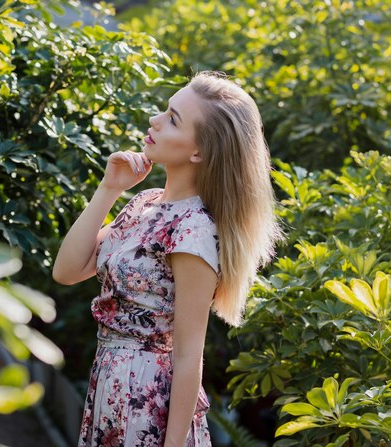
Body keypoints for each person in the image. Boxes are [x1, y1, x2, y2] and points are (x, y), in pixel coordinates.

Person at [52, 71, 281, 447]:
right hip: (112, 384)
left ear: (199, 152)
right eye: (165, 110)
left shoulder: (193, 231)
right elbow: (67, 270)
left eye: (172, 119)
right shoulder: (145, 203)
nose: (154, 121)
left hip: (147, 402)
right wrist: (110, 188)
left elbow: (189, 355)